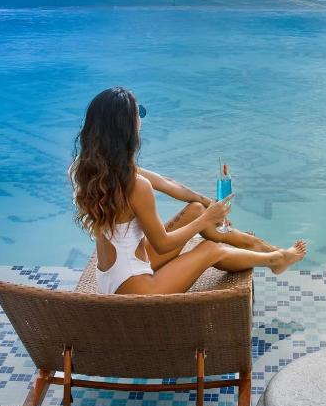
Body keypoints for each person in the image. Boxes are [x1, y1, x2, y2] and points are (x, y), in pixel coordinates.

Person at [69, 87, 307, 294]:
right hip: (137, 290)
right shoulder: (136, 185)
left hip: (115, 274)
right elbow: (162, 244)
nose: (141, 118)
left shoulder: (88, 168)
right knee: (209, 249)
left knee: (194, 210)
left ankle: (265, 248)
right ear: (127, 128)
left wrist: (204, 203)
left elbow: (167, 182)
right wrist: (207, 217)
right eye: (138, 113)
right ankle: (275, 259)